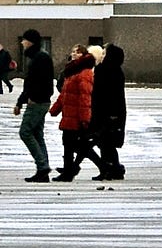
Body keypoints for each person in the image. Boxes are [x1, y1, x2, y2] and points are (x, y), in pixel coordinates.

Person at [50, 44, 101, 182]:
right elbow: (65, 93)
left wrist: (85, 118)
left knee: (73, 145)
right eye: (73, 51)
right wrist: (55, 108)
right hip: (69, 114)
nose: (74, 54)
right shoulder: (72, 70)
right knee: (74, 145)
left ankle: (68, 172)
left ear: (84, 55)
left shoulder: (84, 72)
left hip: (77, 116)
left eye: (77, 52)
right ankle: (101, 167)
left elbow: (85, 97)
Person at [13, 28, 56, 182]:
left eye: (24, 40)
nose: (22, 42)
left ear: (30, 42)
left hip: (37, 101)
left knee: (25, 132)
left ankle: (42, 166)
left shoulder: (39, 58)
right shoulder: (39, 57)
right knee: (37, 135)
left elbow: (33, 83)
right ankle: (43, 171)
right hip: (41, 100)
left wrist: (24, 100)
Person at [92, 43, 128, 181]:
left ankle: (111, 168)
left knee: (106, 141)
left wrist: (112, 114)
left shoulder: (108, 71)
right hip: (107, 111)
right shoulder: (109, 70)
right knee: (105, 142)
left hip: (109, 112)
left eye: (104, 53)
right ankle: (113, 168)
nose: (101, 55)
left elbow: (110, 94)